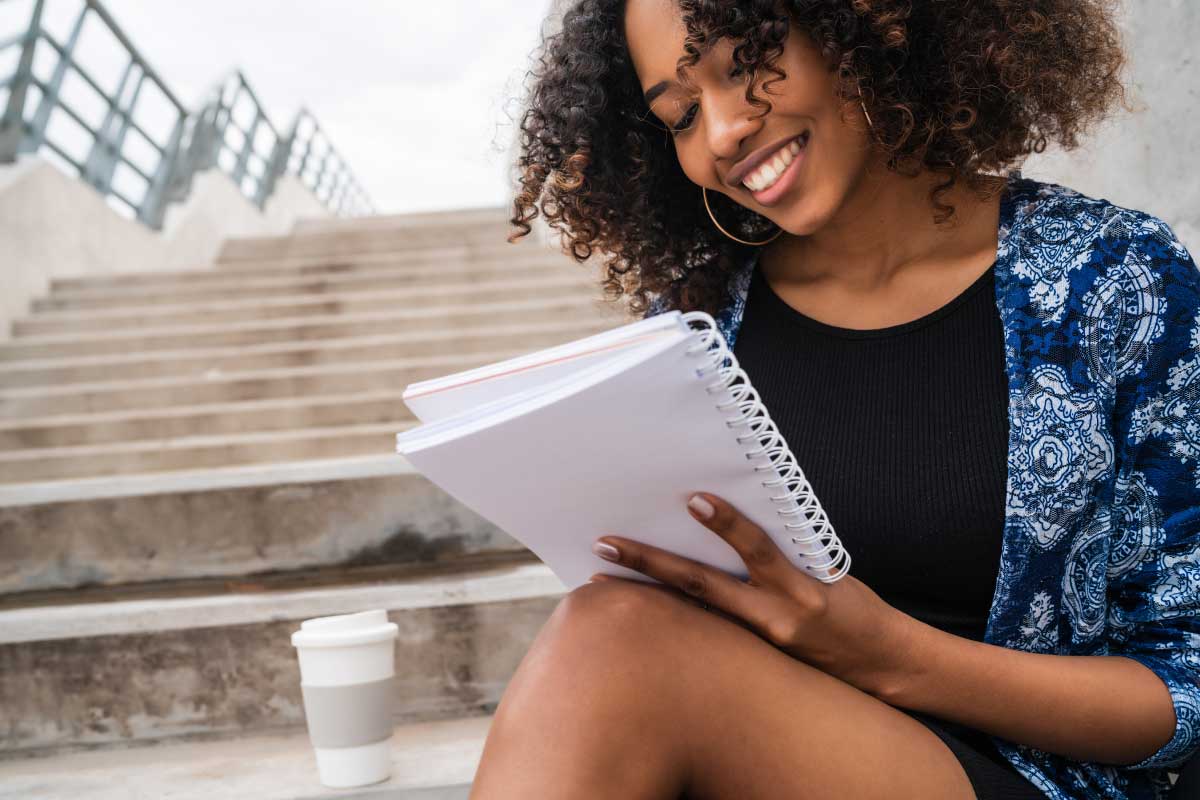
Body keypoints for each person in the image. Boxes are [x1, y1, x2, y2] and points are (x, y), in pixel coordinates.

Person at [478, 1, 1200, 797]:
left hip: (1031, 778)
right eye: (679, 116)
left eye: (744, 63)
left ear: (867, 25)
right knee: (607, 631)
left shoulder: (1112, 281)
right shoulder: (698, 330)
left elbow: (1185, 690)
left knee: (611, 645)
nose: (720, 133)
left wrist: (889, 655)